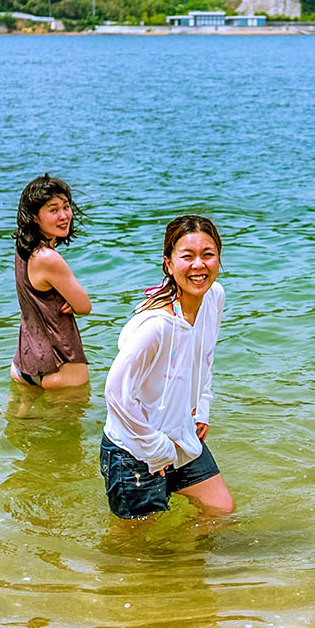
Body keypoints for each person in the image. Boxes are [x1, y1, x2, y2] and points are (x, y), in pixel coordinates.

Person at [100, 215, 235, 519]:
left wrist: (201, 409)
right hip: (134, 449)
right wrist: (156, 448)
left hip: (180, 436)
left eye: (208, 254)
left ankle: (188, 566)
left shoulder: (214, 297)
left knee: (220, 511)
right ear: (169, 264)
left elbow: (205, 356)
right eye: (187, 256)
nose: (199, 265)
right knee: (135, 548)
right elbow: (116, 393)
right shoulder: (156, 325)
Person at [10, 174, 92, 390]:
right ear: (35, 217)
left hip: (23, 365)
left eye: (66, 206)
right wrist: (71, 300)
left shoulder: (24, 248)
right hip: (61, 371)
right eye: (53, 210)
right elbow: (84, 307)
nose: (64, 215)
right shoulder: (48, 258)